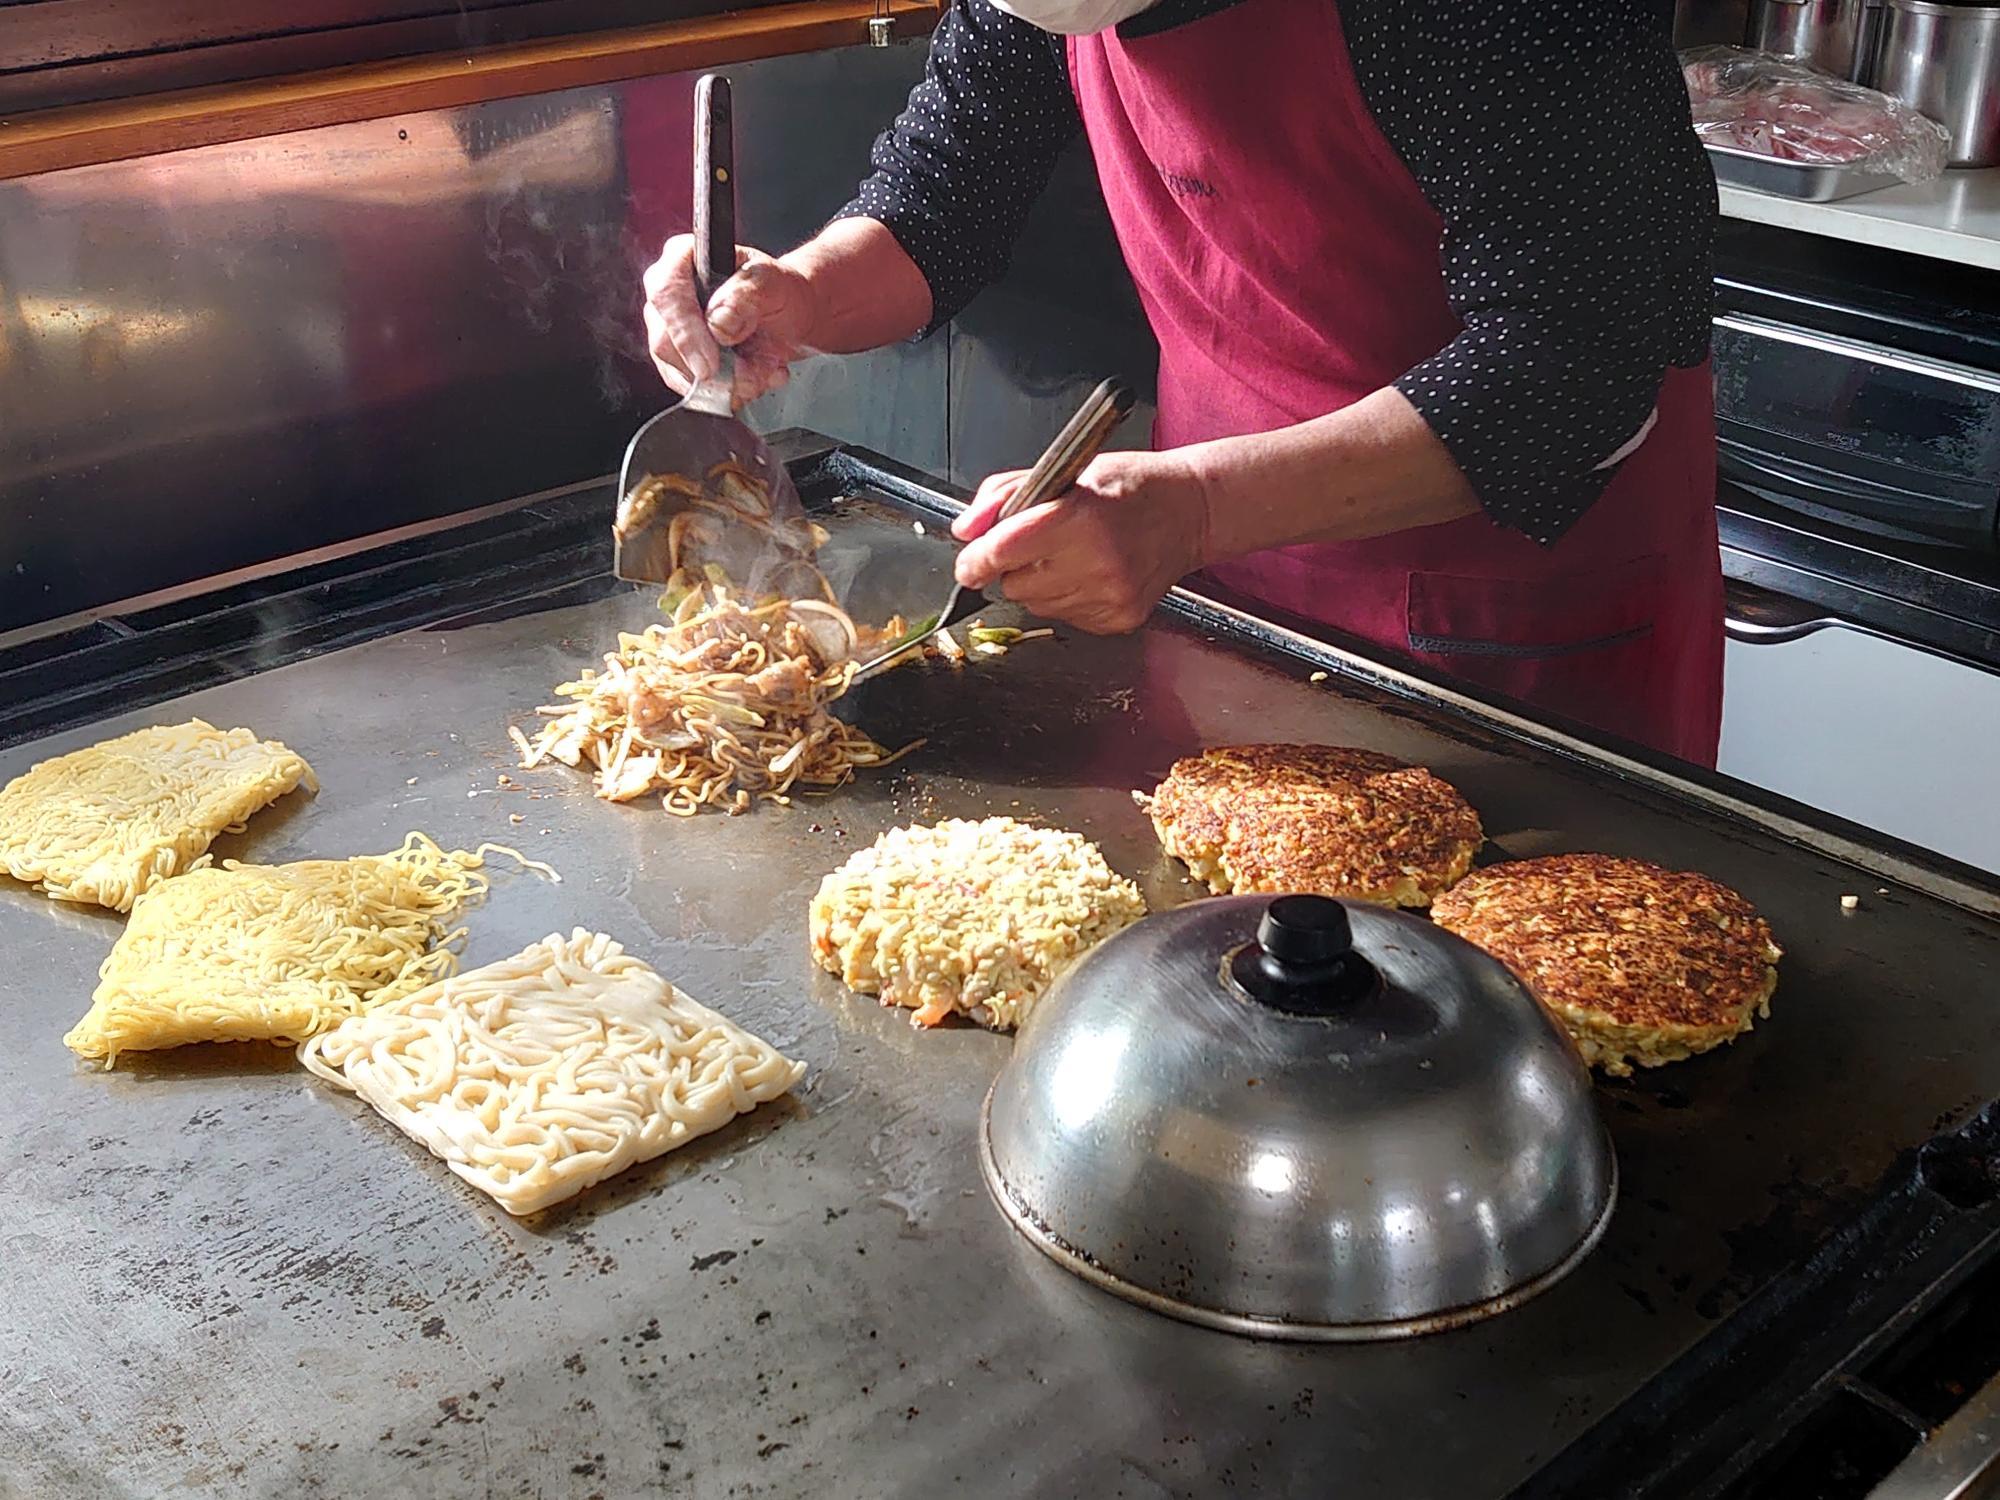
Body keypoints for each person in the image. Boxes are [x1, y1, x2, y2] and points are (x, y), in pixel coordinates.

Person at [642, 0, 1723, 764]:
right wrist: (800, 294)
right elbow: (938, 198)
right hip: (1220, 584)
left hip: (1509, 618)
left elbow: (1576, 361)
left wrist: (1195, 507)